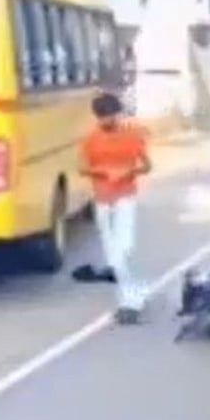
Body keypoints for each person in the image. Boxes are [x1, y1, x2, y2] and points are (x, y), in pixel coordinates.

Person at [79, 92, 152, 325]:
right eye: (102, 117)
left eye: (109, 116)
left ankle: (131, 301)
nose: (106, 121)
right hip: (103, 199)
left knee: (125, 248)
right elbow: (82, 168)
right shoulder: (90, 140)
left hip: (125, 196)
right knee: (113, 255)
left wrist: (128, 172)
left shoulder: (132, 136)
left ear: (117, 114)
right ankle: (129, 298)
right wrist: (103, 173)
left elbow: (147, 166)